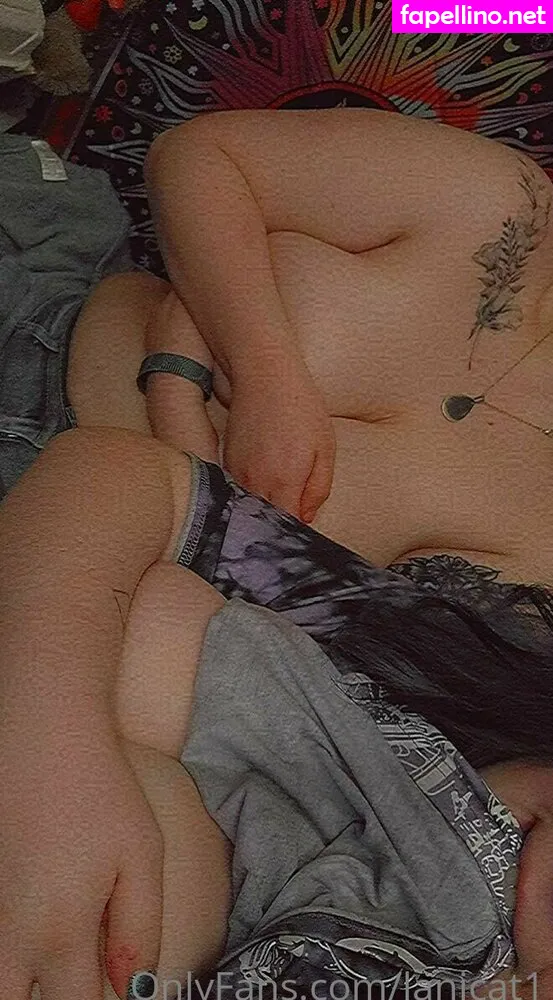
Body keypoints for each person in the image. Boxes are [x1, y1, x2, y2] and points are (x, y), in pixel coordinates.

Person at [2, 108, 553, 996]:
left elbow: (311, 663)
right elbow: (201, 157)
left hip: (82, 557)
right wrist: (264, 373)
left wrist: (182, 393)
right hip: (42, 326)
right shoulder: (500, 205)